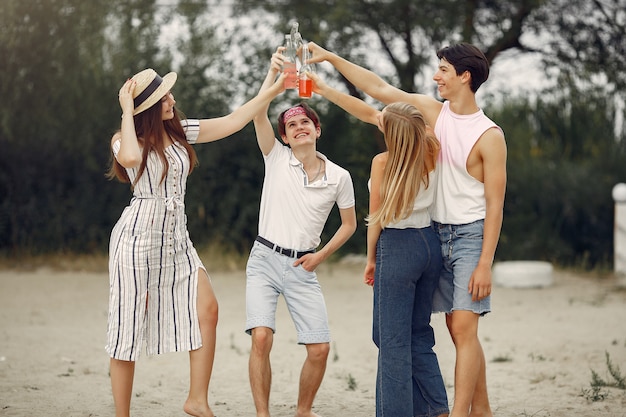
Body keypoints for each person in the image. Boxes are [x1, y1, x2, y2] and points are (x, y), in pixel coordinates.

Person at [308, 42, 507, 417]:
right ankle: (481, 409)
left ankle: (461, 413)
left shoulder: (490, 136)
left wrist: (485, 263)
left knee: (463, 328)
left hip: (468, 236)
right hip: (435, 234)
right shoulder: (435, 115)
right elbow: (379, 94)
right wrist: (332, 59)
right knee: (455, 329)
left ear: (465, 76)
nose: (436, 77)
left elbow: (495, 204)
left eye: (444, 70)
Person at [106, 67, 285, 417]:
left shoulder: (179, 133)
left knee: (208, 310)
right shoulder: (124, 139)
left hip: (176, 240)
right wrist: (127, 110)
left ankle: (197, 400)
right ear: (146, 109)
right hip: (137, 243)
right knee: (127, 331)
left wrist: (274, 83)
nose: (172, 100)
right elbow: (129, 159)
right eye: (163, 98)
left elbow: (234, 120)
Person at [309, 71, 450, 417]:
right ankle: (435, 408)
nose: (377, 123)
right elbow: (374, 113)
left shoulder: (383, 163)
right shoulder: (433, 146)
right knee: (418, 333)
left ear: (391, 133)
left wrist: (371, 260)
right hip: (430, 245)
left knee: (391, 341)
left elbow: (376, 221)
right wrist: (324, 88)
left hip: (398, 247)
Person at [245, 50, 357, 417]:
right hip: (263, 260)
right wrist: (272, 73)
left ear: (317, 130)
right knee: (261, 337)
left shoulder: (340, 177)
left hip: (302, 266)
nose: (299, 128)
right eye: (292, 126)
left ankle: (302, 411)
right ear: (286, 137)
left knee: (320, 348)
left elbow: (349, 225)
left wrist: (321, 256)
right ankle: (263, 415)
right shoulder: (274, 157)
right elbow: (257, 111)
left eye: (305, 122)